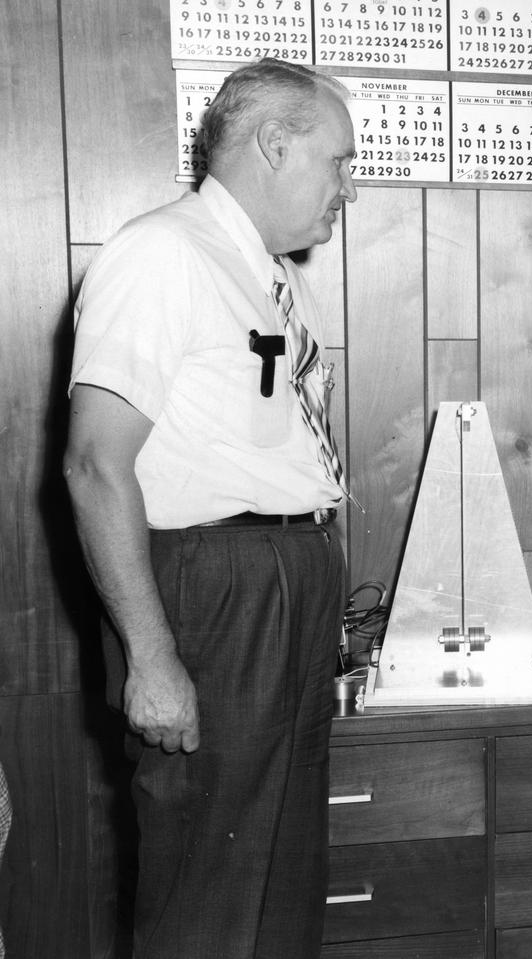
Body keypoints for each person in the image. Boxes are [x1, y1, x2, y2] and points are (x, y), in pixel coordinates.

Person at [64, 58, 357, 958]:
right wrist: (151, 657)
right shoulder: (162, 253)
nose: (348, 187)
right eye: (339, 161)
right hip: (214, 588)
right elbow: (94, 463)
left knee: (282, 887)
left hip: (286, 581)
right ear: (275, 144)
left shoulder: (271, 275)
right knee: (209, 895)